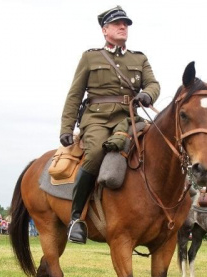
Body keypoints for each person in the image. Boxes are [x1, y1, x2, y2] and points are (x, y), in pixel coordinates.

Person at [60, 6, 160, 244]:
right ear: (105, 30)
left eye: (125, 23)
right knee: (95, 153)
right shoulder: (90, 57)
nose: (123, 26)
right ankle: (76, 218)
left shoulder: (139, 58)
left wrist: (147, 94)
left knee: (155, 148)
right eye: (117, 24)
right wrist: (66, 127)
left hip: (129, 118)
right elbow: (75, 94)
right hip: (97, 118)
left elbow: (154, 84)